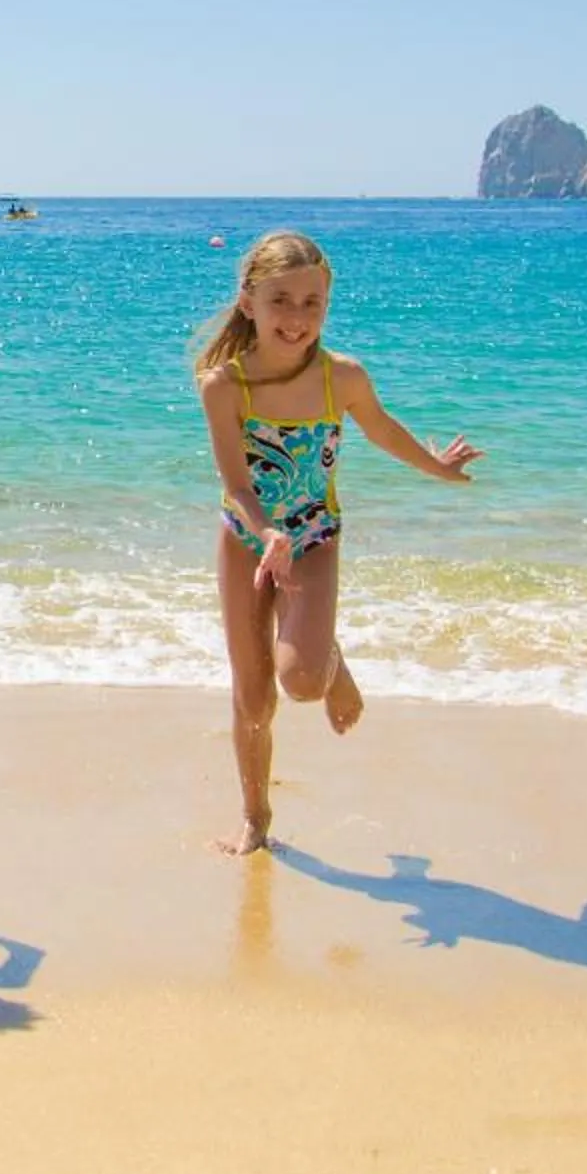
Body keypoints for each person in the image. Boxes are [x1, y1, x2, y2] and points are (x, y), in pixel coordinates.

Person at [196, 229, 481, 854]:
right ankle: (255, 818)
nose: (296, 318)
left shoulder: (340, 378)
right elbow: (237, 485)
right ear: (248, 302)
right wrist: (266, 533)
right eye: (280, 300)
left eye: (311, 303)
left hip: (315, 538)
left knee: (301, 682)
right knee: (253, 699)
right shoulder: (224, 385)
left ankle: (329, 658)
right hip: (246, 540)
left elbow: (382, 429)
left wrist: (437, 467)